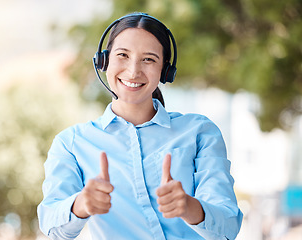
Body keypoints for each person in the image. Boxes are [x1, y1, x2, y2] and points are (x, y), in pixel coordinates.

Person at [37, 12, 243, 240]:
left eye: (149, 59)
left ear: (165, 71)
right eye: (122, 55)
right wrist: (81, 205)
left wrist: (188, 206)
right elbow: (52, 228)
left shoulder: (200, 132)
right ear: (104, 61)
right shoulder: (72, 143)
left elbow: (227, 227)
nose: (133, 71)